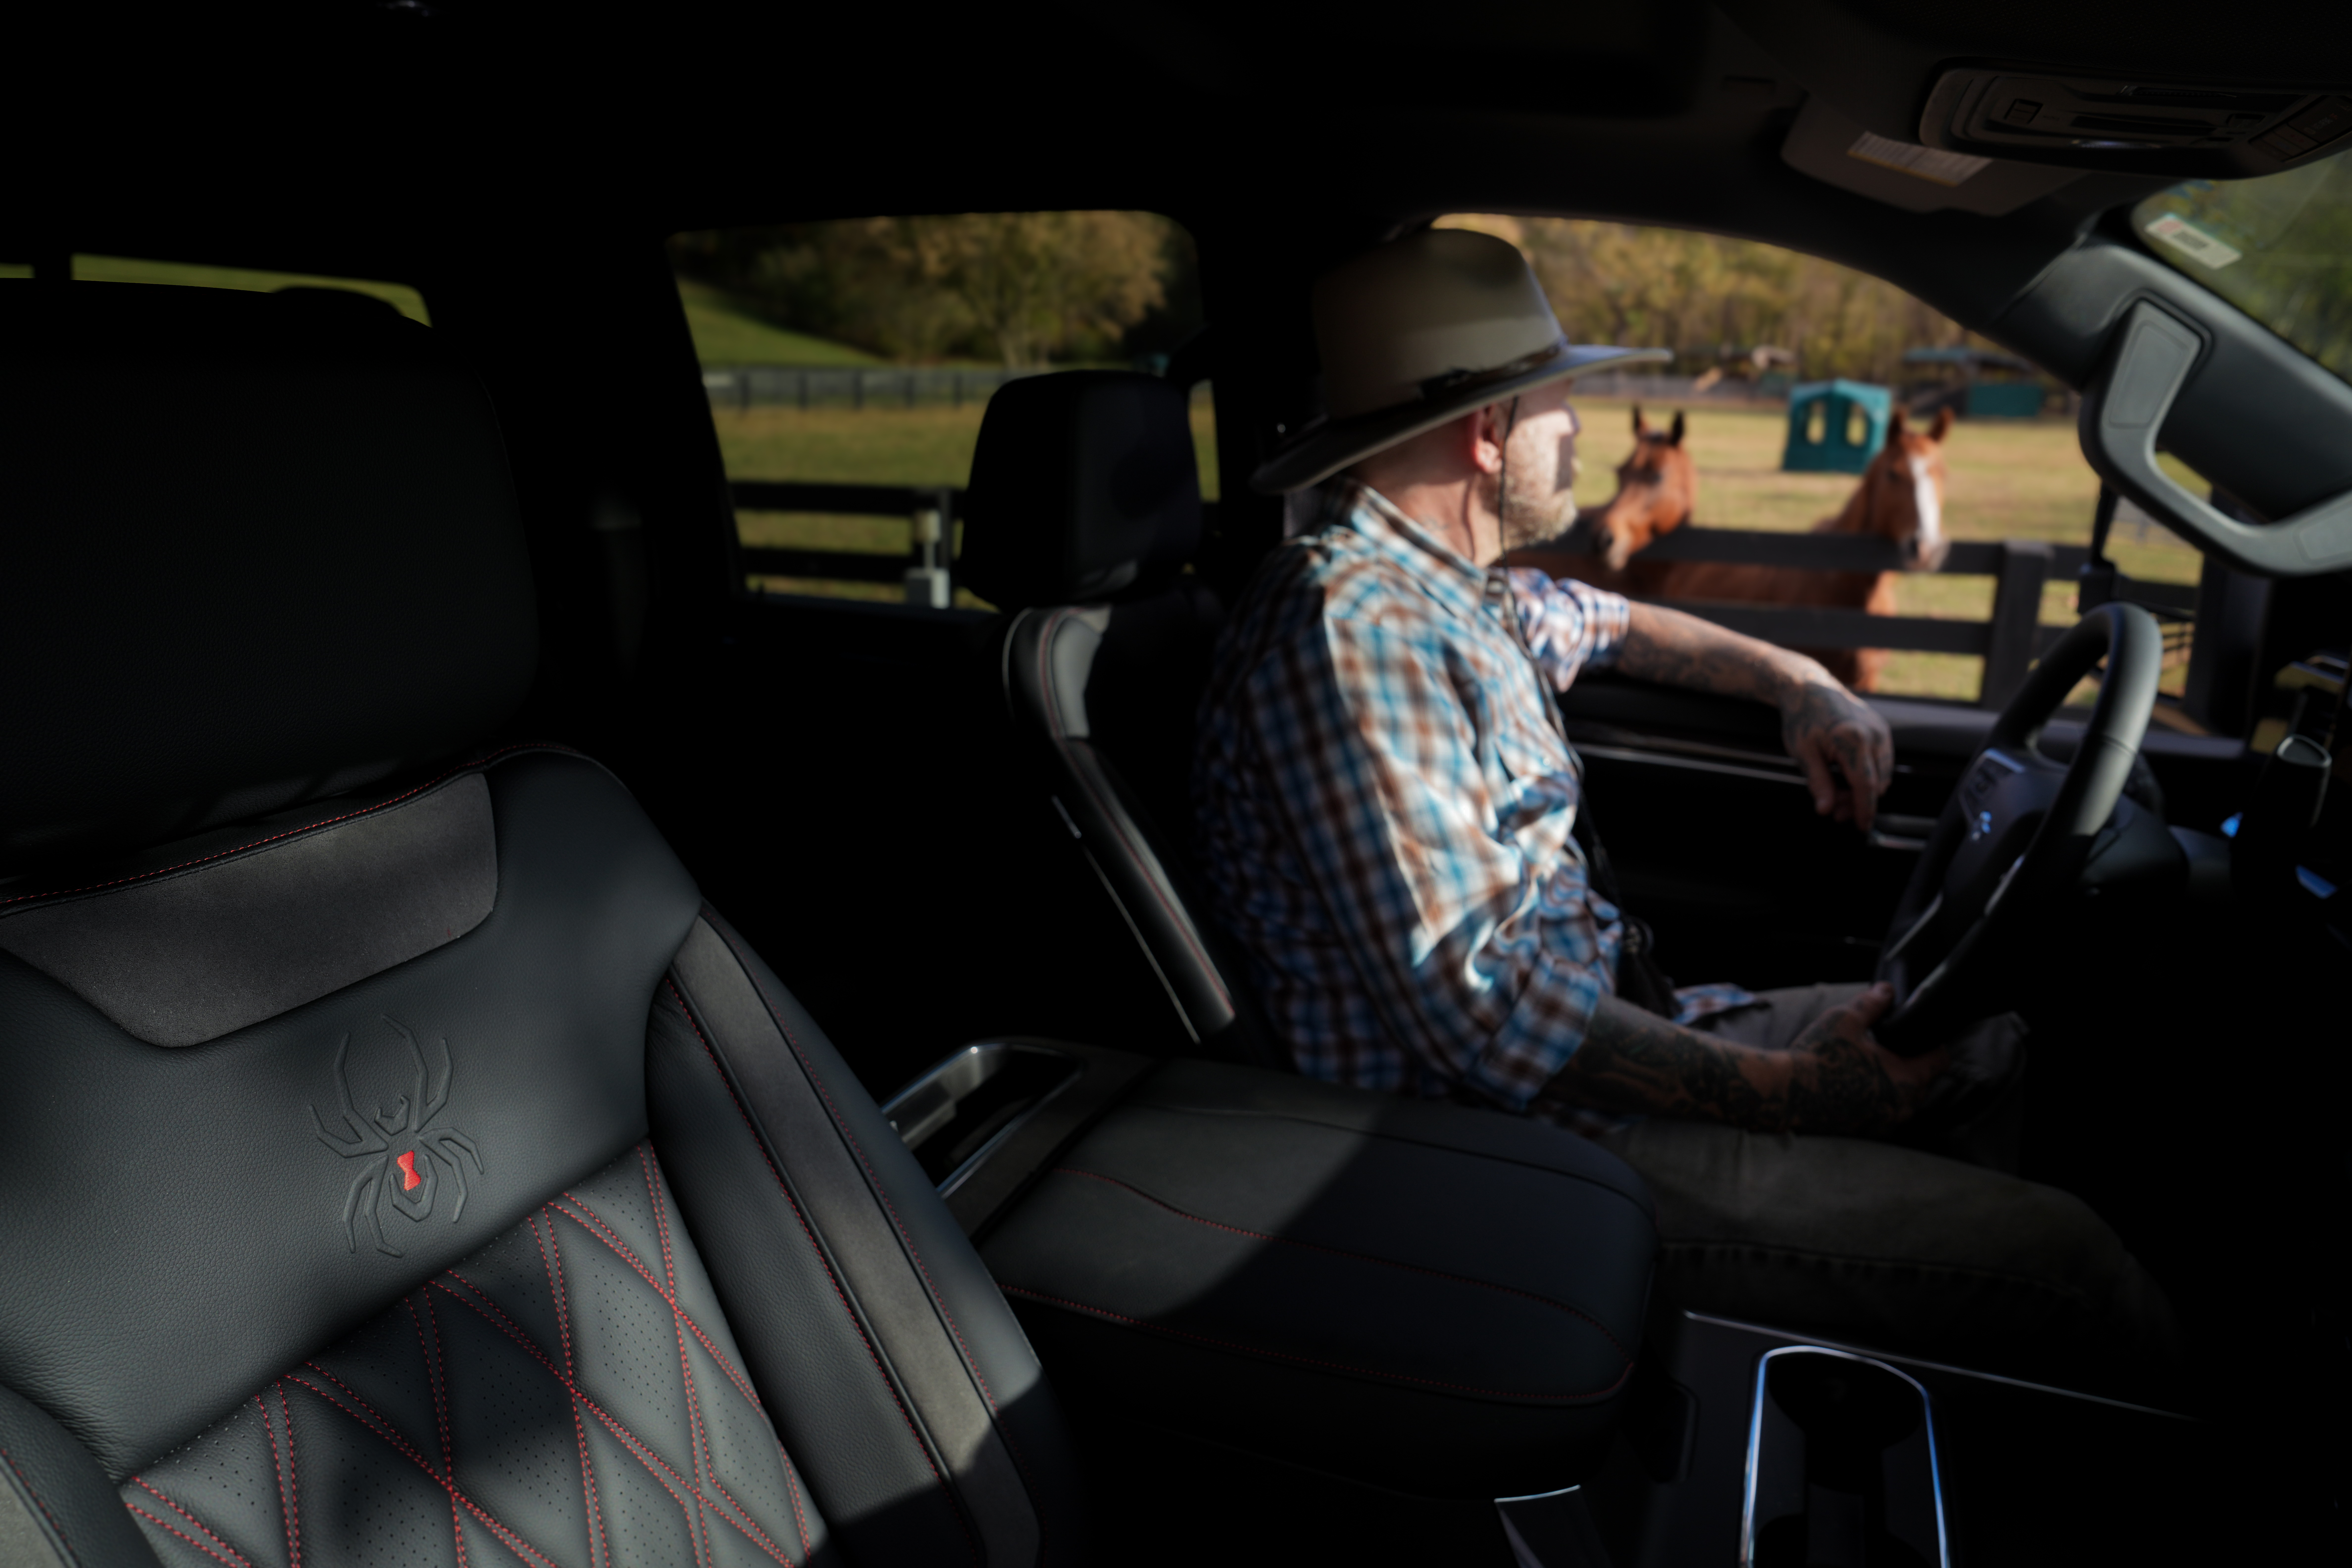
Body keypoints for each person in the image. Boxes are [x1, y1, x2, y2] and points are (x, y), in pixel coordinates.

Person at [1193, 227, 2178, 1380]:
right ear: (1488, 432)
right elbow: (1486, 1014)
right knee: (2072, 1263)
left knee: (1986, 1041)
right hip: (1515, 1154)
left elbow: (1612, 622)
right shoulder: (1357, 636)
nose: (1580, 440)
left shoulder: (1455, 593)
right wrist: (1798, 1095)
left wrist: (1796, 683)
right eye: (1562, 407)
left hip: (1612, 1051)